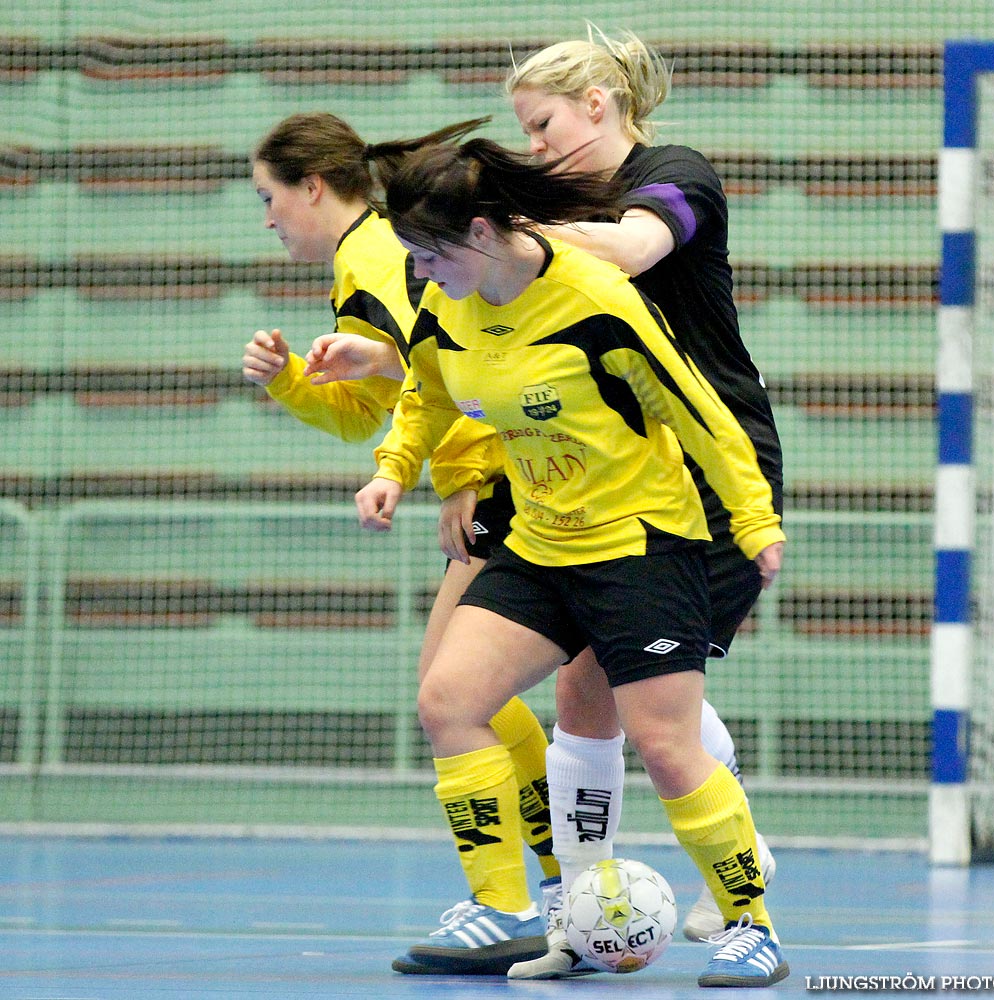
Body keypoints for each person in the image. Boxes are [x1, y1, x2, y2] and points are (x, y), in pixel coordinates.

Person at [354, 131, 790, 988]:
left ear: (480, 234)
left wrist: (752, 519)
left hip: (640, 545)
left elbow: (696, 407)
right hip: (543, 542)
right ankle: (524, 911)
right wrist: (392, 469)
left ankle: (752, 926)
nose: (419, 272)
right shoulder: (451, 299)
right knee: (449, 700)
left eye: (427, 253)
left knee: (666, 748)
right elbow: (428, 388)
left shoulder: (593, 297)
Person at [499, 28, 788, 978]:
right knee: (587, 688)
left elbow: (628, 249)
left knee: (645, 696)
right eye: (522, 135)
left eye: (542, 126)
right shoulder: (559, 199)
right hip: (610, 476)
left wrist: (512, 229)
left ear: (598, 103)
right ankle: (583, 915)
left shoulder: (674, 174)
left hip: (707, 464)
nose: (534, 148)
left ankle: (745, 898)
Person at [241, 112, 558, 972]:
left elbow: (447, 361)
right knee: (467, 698)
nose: (266, 217)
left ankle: (512, 902)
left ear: (312, 186)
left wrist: (460, 477)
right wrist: (294, 384)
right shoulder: (364, 265)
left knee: (452, 697)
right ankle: (553, 884)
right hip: (495, 476)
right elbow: (372, 409)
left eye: (269, 197)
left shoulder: (381, 258)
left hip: (501, 478)